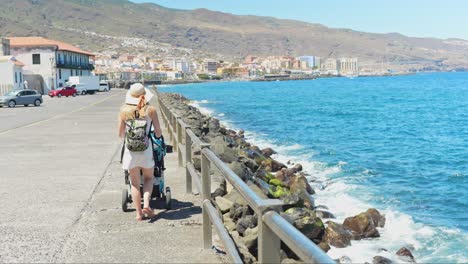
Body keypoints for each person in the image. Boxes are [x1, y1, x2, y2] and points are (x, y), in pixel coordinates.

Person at [118, 83, 162, 221]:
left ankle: (138, 213)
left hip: (130, 151)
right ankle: (147, 204)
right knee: (149, 178)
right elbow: (159, 133)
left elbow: (120, 134)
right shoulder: (151, 110)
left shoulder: (124, 110)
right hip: (146, 150)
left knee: (135, 183)